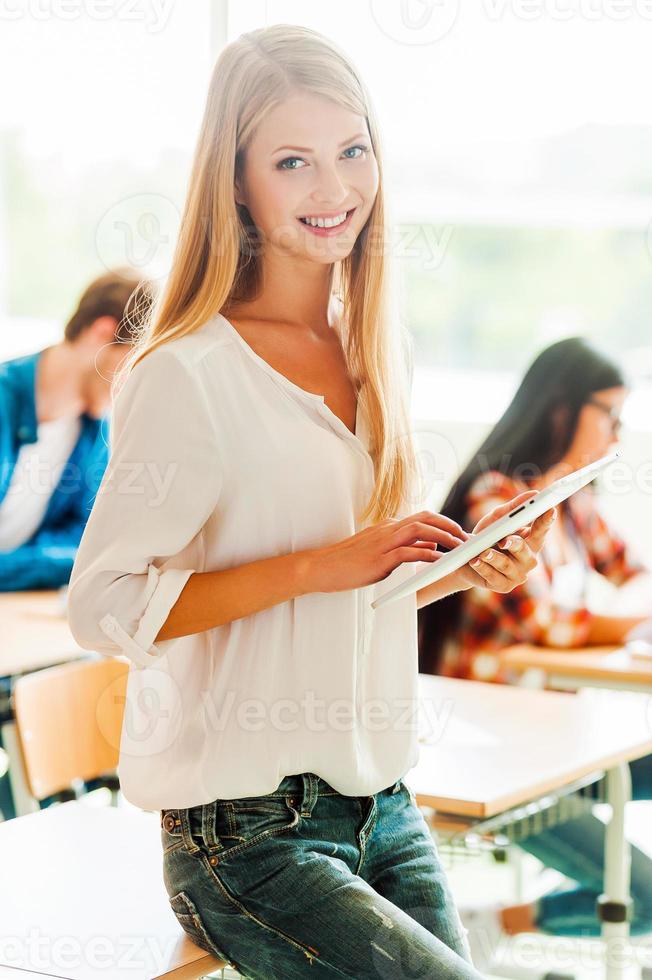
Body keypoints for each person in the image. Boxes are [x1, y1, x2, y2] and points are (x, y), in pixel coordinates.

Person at [66, 25, 555, 979]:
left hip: (383, 800)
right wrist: (323, 564)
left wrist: (453, 568)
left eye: (352, 151)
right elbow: (104, 605)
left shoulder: (377, 351)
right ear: (237, 182)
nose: (334, 190)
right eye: (293, 161)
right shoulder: (189, 370)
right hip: (243, 835)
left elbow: (352, 597)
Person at [418, 337, 652, 962]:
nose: (617, 434)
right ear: (562, 409)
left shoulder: (573, 501)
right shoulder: (497, 498)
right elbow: (544, 621)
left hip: (555, 743)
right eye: (611, 415)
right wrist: (630, 625)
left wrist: (634, 614)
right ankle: (497, 921)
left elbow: (633, 570)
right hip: (495, 754)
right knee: (649, 896)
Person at [0, 269, 153, 591]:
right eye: (138, 364)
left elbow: (85, 540)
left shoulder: (97, 431)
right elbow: (85, 560)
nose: (140, 386)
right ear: (102, 332)